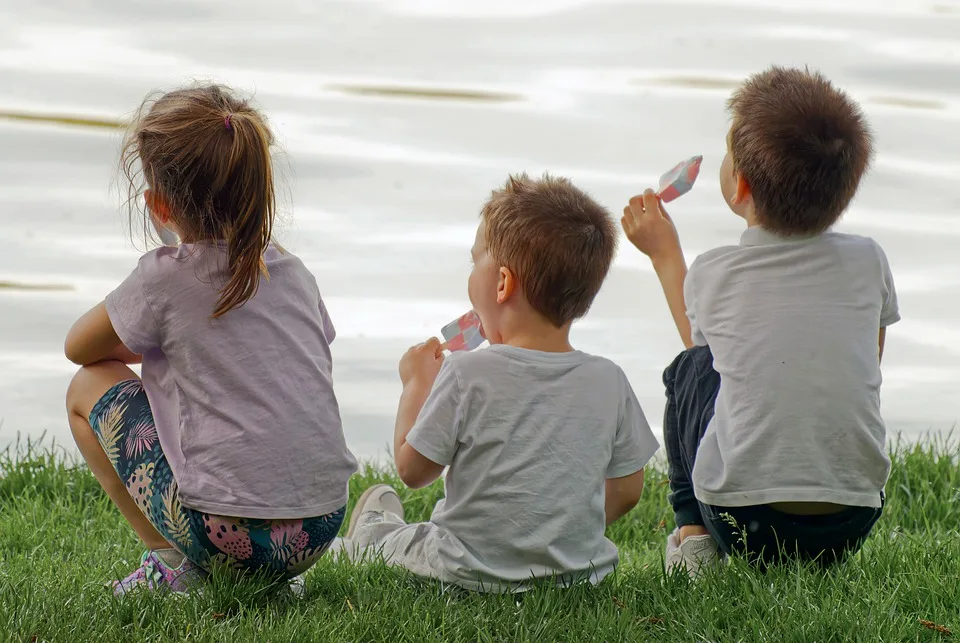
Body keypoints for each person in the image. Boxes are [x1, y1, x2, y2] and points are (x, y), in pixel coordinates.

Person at [64, 84, 357, 594]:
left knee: (85, 389)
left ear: (157, 204)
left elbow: (79, 349)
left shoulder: (163, 279)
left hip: (224, 534)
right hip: (320, 525)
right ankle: (272, 578)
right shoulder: (295, 273)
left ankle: (170, 562)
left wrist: (152, 340)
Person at [621, 66, 899, 575]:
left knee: (688, 371)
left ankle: (692, 533)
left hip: (740, 518)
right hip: (853, 516)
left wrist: (665, 254)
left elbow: (706, 355)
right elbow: (868, 363)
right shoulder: (869, 261)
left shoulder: (715, 271)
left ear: (741, 184)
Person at [333, 174, 660, 592]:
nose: (471, 275)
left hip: (464, 568)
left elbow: (412, 470)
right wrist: (558, 533)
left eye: (475, 262)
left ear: (503, 283)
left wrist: (417, 384)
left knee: (387, 544)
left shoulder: (467, 373)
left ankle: (372, 531)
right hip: (575, 575)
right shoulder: (610, 381)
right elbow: (629, 489)